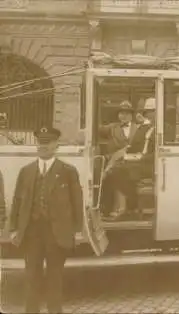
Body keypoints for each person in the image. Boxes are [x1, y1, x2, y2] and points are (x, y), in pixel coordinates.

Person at [9, 126, 83, 314]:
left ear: (56, 145)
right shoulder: (26, 171)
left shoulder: (67, 171)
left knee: (54, 277)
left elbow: (77, 202)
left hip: (56, 234)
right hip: (31, 233)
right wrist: (14, 228)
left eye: (47, 142)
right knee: (31, 276)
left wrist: (78, 230)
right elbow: (18, 201)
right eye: (40, 143)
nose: (43, 146)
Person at [105, 98, 156, 220]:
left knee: (118, 171)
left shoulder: (161, 128)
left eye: (152, 112)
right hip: (136, 159)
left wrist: (137, 157)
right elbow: (135, 145)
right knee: (115, 169)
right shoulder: (144, 127)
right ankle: (124, 208)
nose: (150, 115)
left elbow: (157, 152)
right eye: (147, 112)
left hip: (149, 163)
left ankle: (127, 208)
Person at [98, 101, 138, 216]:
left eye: (127, 113)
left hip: (133, 161)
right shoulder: (112, 128)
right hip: (115, 161)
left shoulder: (138, 128)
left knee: (114, 173)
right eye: (121, 113)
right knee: (112, 174)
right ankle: (110, 208)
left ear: (131, 115)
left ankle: (120, 208)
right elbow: (94, 128)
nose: (124, 116)